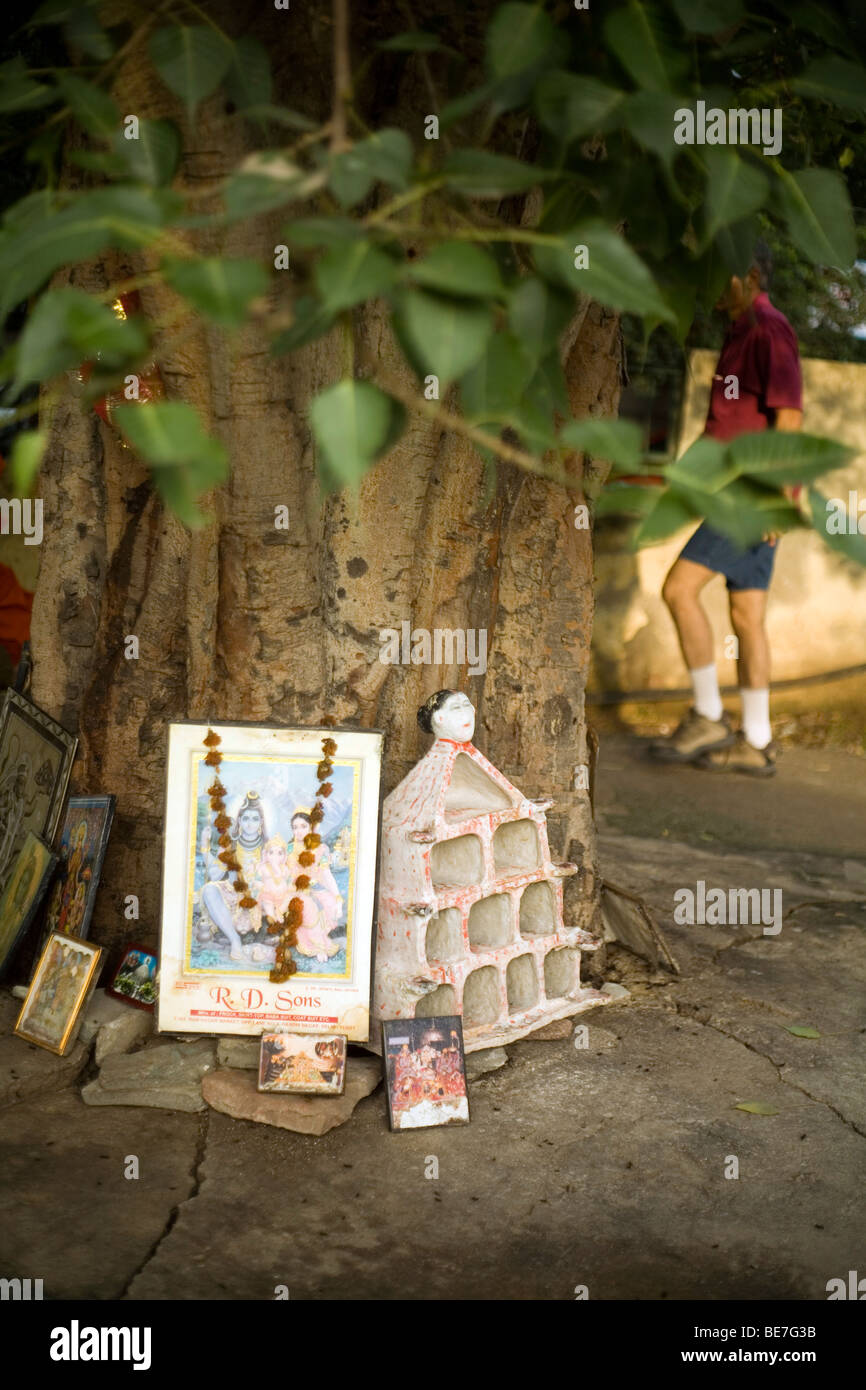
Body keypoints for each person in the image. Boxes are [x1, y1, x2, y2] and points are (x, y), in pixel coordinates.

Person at [650, 242, 803, 776]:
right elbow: (723, 430)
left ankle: (710, 714)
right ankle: (757, 741)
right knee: (747, 616)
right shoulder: (738, 334)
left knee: (678, 589)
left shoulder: (768, 329)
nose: (713, 283)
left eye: (723, 273)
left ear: (751, 275)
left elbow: (788, 419)